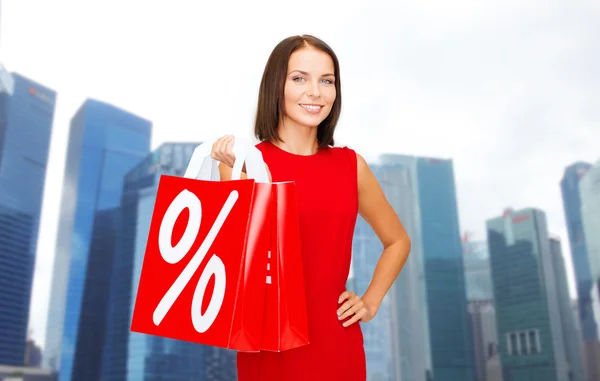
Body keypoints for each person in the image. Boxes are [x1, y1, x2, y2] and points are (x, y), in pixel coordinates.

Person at [210, 34, 411, 381]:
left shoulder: (351, 166)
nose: (316, 92)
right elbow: (234, 265)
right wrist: (231, 176)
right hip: (269, 346)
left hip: (337, 344)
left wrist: (370, 302)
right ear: (276, 86)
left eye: (327, 81)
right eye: (299, 78)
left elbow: (398, 241)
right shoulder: (242, 164)